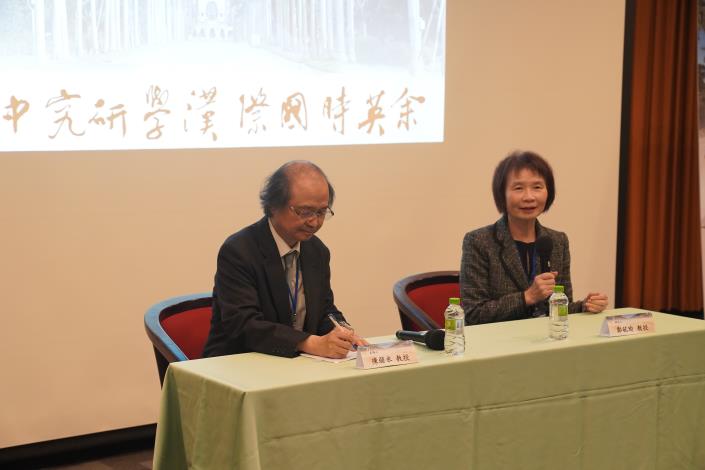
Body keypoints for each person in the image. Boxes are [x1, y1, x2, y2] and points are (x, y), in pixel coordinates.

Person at [203, 160, 366, 359]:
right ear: (273, 206)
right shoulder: (239, 250)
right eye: (305, 212)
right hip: (239, 363)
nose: (314, 222)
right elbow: (244, 324)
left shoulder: (317, 251)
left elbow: (324, 310)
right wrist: (308, 342)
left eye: (321, 212)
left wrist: (343, 332)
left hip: (295, 364)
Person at [460, 150, 608, 325]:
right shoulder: (479, 241)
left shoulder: (557, 241)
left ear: (548, 192)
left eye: (537, 187)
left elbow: (559, 307)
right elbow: (473, 314)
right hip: (499, 346)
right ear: (502, 194)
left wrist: (585, 306)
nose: (529, 197)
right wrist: (527, 297)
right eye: (518, 188)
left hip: (546, 344)